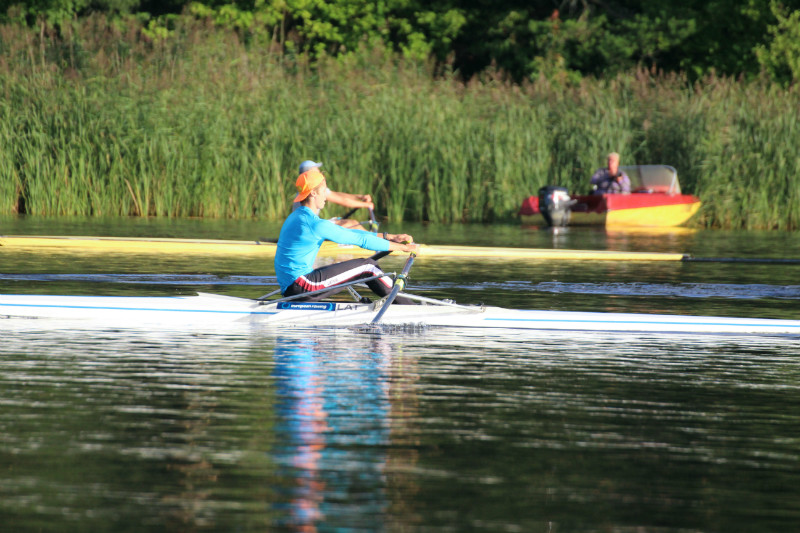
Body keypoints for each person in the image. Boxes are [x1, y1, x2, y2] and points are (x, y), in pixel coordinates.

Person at [275, 166, 419, 304]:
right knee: (368, 267)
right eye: (323, 191)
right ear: (313, 193)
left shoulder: (296, 217)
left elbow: (352, 233)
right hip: (303, 285)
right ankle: (409, 307)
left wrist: (390, 237)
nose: (326, 196)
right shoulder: (314, 224)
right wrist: (404, 248)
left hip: (291, 288)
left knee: (364, 266)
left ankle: (399, 304)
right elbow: (361, 240)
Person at [294, 160, 375, 230]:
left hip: (312, 224)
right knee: (352, 224)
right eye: (317, 169)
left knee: (352, 223)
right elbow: (343, 201)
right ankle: (374, 240)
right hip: (310, 227)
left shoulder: (308, 188)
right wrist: (366, 205)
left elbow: (336, 194)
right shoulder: (313, 189)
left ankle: (372, 239)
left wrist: (359, 197)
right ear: (311, 172)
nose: (319, 171)